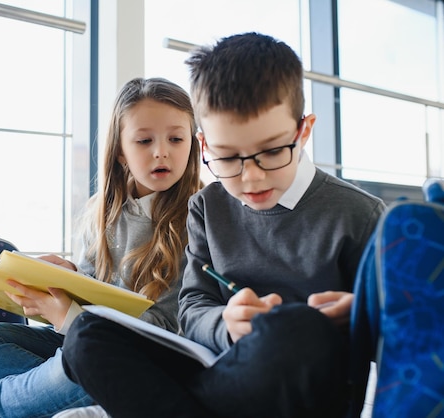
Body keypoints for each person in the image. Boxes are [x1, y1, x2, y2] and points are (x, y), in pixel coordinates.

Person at [60, 32, 386, 418]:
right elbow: (193, 309)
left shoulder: (361, 215)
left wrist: (364, 313)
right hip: (217, 375)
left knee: (296, 328)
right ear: (204, 146)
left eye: (271, 152)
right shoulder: (206, 207)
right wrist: (226, 323)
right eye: (228, 158)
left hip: (296, 386)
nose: (251, 178)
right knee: (86, 336)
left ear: (304, 131)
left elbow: (407, 332)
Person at [0, 77, 202, 418]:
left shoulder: (197, 218)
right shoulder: (102, 211)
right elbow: (97, 286)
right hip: (81, 343)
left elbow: (169, 329)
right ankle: (60, 391)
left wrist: (70, 318)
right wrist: (68, 278)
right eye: (144, 140)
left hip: (139, 356)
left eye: (176, 138)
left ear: (192, 144)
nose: (161, 151)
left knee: (91, 368)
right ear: (121, 152)